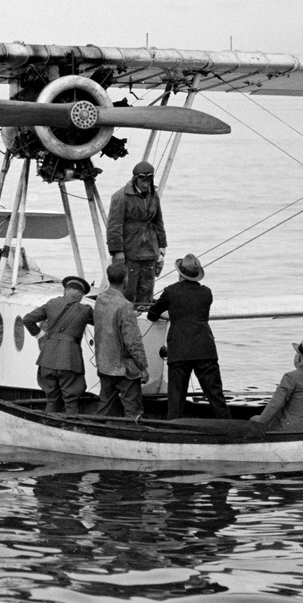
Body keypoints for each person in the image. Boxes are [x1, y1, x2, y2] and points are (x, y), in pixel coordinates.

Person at [147, 253, 230, 419]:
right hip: (204, 348)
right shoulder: (206, 293)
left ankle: (173, 429)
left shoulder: (170, 291)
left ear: (179, 273)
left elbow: (152, 315)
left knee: (176, 397)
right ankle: (228, 427)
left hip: (179, 349)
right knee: (215, 395)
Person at [22, 275, 95, 415]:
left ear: (65, 291)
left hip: (47, 359)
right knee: (71, 399)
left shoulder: (51, 303)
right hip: (69, 361)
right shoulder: (85, 310)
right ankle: (71, 428)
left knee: (51, 399)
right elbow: (103, 322)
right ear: (81, 296)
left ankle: (48, 425)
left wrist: (40, 335)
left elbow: (27, 320)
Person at [92, 262, 150, 418]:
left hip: (104, 364)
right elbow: (133, 341)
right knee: (133, 410)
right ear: (126, 279)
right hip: (123, 368)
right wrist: (143, 367)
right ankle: (133, 436)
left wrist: (132, 314)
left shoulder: (100, 299)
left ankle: (98, 434)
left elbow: (109, 320)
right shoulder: (125, 305)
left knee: (105, 406)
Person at [106, 159, 167, 304]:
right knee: (128, 289)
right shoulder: (120, 196)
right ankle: (125, 315)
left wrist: (162, 246)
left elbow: (158, 221)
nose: (146, 183)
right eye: (142, 179)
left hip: (150, 250)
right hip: (130, 250)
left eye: (149, 179)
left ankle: (145, 311)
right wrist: (117, 251)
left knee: (147, 287)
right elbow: (114, 225)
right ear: (135, 179)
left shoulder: (154, 195)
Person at [250, 338, 303, 433]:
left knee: (254, 419)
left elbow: (275, 405)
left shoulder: (290, 377)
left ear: (298, 357)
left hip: (288, 429)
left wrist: (258, 424)